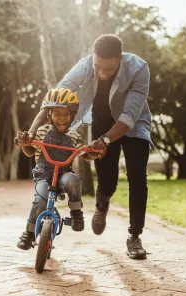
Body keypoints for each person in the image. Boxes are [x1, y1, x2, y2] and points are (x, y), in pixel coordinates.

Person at [26, 34, 152, 259]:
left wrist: (105, 140)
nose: (102, 72)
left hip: (133, 125)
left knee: (137, 177)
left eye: (109, 69)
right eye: (98, 67)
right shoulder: (85, 65)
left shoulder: (139, 68)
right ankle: (102, 203)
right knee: (107, 179)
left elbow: (130, 114)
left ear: (120, 59)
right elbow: (55, 98)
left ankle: (134, 236)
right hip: (102, 122)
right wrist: (33, 129)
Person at [17, 88, 97, 251]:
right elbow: (30, 152)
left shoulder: (74, 136)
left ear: (72, 116)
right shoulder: (41, 131)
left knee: (73, 180)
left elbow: (84, 153)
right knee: (40, 201)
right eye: (57, 113)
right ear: (49, 115)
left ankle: (76, 213)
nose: (62, 118)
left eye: (66, 114)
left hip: (63, 175)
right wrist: (26, 144)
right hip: (43, 175)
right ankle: (29, 233)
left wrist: (93, 153)